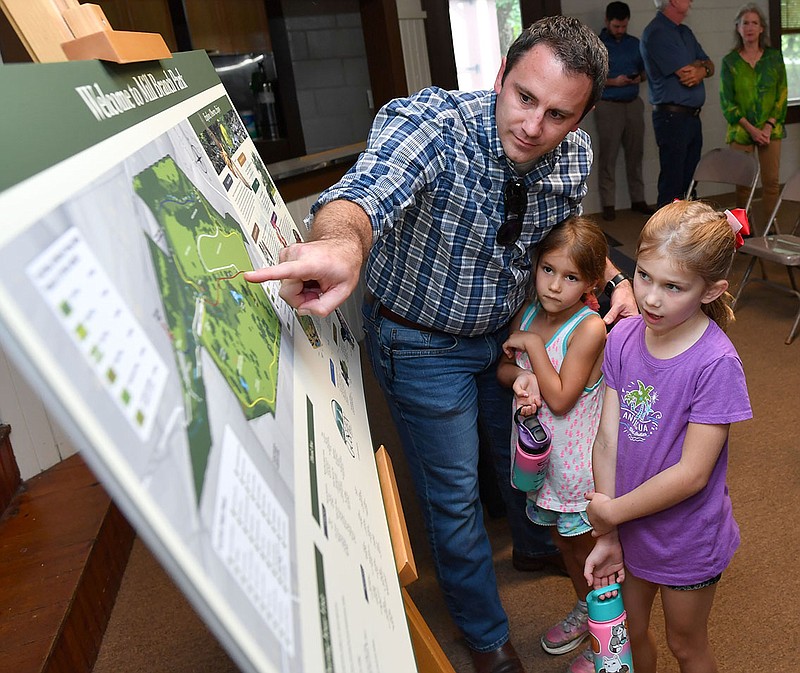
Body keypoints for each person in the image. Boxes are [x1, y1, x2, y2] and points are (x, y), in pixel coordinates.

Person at [245, 16, 638, 673]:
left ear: (583, 117)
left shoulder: (574, 155)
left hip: (508, 333)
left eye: (559, 113)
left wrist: (615, 276)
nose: (534, 125)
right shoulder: (433, 124)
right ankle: (486, 639)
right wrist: (343, 242)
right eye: (523, 97)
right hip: (422, 344)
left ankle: (534, 546)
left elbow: (567, 229)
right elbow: (361, 197)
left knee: (521, 453)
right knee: (455, 497)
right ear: (501, 78)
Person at [584, 200, 752, 673]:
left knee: (686, 645)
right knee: (630, 635)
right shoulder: (620, 338)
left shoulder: (716, 363)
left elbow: (693, 474)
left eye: (673, 286)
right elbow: (608, 435)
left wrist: (610, 511)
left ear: (711, 290)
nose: (652, 298)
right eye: (644, 277)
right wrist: (611, 529)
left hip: (686, 540)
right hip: (628, 527)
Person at [497, 217, 607, 673]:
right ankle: (587, 611)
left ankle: (606, 638)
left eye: (571, 277)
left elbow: (561, 398)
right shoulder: (528, 313)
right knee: (564, 544)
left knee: (591, 553)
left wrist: (532, 350)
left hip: (578, 468)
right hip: (545, 465)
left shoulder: (589, 328)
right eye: (548, 270)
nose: (555, 286)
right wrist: (521, 374)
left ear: (592, 283)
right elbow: (506, 371)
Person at [641, 0, 715, 208]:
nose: (691, 0)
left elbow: (709, 64)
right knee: (673, 183)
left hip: (691, 117)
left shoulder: (685, 32)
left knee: (690, 182)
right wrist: (700, 67)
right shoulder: (657, 32)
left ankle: (688, 234)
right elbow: (686, 74)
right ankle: (665, 236)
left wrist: (702, 69)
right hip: (672, 118)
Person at [720, 3, 787, 222]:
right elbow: (727, 103)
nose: (749, 27)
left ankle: (769, 227)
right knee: (743, 184)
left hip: (771, 130)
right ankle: (743, 228)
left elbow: (781, 95)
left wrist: (766, 126)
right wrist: (751, 129)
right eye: (745, 23)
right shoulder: (730, 62)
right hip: (741, 131)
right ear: (738, 28)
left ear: (761, 29)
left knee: (771, 183)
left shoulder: (774, 58)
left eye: (754, 23)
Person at [596, 2, 654, 222]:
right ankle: (608, 203)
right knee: (608, 156)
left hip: (632, 103)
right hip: (608, 105)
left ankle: (638, 199)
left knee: (635, 153)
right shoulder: (598, 45)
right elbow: (591, 79)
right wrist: (613, 81)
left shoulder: (635, 44)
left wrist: (639, 78)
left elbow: (646, 70)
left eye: (623, 26)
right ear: (607, 22)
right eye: (616, 26)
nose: (620, 30)